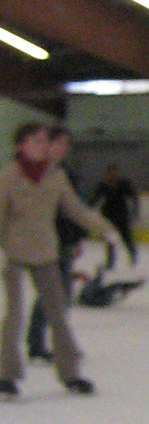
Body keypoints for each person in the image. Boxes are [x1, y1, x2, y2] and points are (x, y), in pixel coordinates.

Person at [1, 121, 119, 397]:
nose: (43, 145)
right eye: (36, 140)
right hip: (15, 253)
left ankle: (70, 374)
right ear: (21, 146)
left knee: (58, 315)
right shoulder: (8, 177)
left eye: (44, 140)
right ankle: (6, 375)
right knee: (14, 317)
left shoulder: (56, 176)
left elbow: (77, 210)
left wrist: (105, 230)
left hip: (46, 254)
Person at [27, 127, 87, 362]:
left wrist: (77, 238)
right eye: (60, 143)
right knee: (52, 294)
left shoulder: (65, 174)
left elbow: (75, 210)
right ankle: (40, 343)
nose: (64, 149)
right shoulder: (36, 172)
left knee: (60, 295)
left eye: (66, 144)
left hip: (63, 241)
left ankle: (48, 342)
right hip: (46, 241)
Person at [90, 161, 139, 265]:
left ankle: (133, 255)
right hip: (108, 217)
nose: (111, 174)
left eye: (113, 172)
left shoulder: (123, 184)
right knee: (110, 241)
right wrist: (88, 210)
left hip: (121, 216)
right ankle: (110, 261)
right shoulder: (103, 185)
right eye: (109, 172)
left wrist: (135, 211)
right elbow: (94, 200)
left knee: (127, 238)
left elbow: (133, 196)